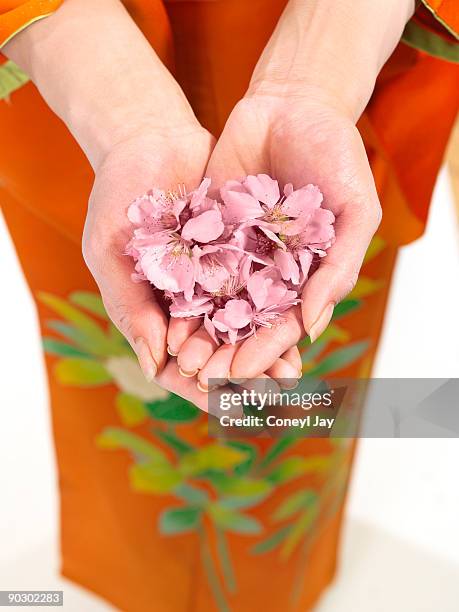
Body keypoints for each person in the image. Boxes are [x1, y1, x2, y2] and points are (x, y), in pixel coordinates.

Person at [1, 1, 457, 610]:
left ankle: (271, 586)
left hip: (350, 51)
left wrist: (318, 73)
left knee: (303, 363)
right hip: (80, 80)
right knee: (115, 332)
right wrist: (122, 110)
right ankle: (143, 579)